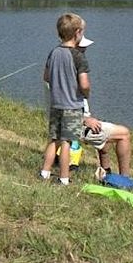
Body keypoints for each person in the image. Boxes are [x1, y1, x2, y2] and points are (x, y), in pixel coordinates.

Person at [40, 13, 89, 185]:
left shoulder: (53, 52)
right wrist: (86, 93)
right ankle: (64, 177)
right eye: (82, 32)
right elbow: (84, 83)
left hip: (56, 104)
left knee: (54, 139)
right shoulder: (78, 56)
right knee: (67, 141)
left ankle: (45, 172)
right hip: (72, 105)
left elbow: (46, 77)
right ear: (77, 33)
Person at [74, 36, 133, 178]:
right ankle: (124, 179)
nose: (85, 50)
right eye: (82, 48)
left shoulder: (59, 64)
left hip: (71, 120)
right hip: (75, 123)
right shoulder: (74, 69)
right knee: (124, 134)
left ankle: (105, 173)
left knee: (104, 138)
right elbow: (64, 104)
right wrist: (84, 119)